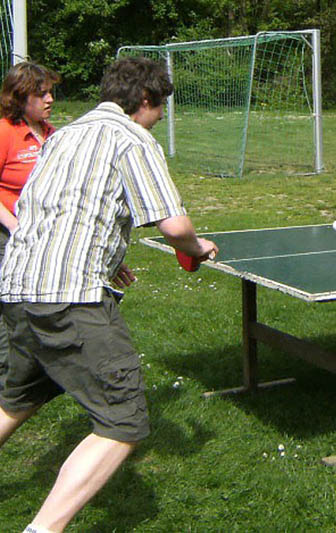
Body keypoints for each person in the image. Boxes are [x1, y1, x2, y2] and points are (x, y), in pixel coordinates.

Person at [0, 57, 218, 532]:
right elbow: (173, 225)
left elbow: (52, 208)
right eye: (160, 107)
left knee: (15, 399)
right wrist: (196, 246)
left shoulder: (62, 136)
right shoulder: (132, 138)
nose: (160, 117)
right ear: (145, 100)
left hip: (16, 288)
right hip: (68, 298)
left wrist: (109, 256)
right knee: (123, 420)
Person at [0, 62, 60, 387]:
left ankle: (33, 374)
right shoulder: (5, 132)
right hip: (7, 236)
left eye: (51, 92)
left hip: (39, 237)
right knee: (11, 311)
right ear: (20, 98)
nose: (50, 99)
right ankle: (10, 382)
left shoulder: (52, 134)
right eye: (42, 94)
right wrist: (13, 225)